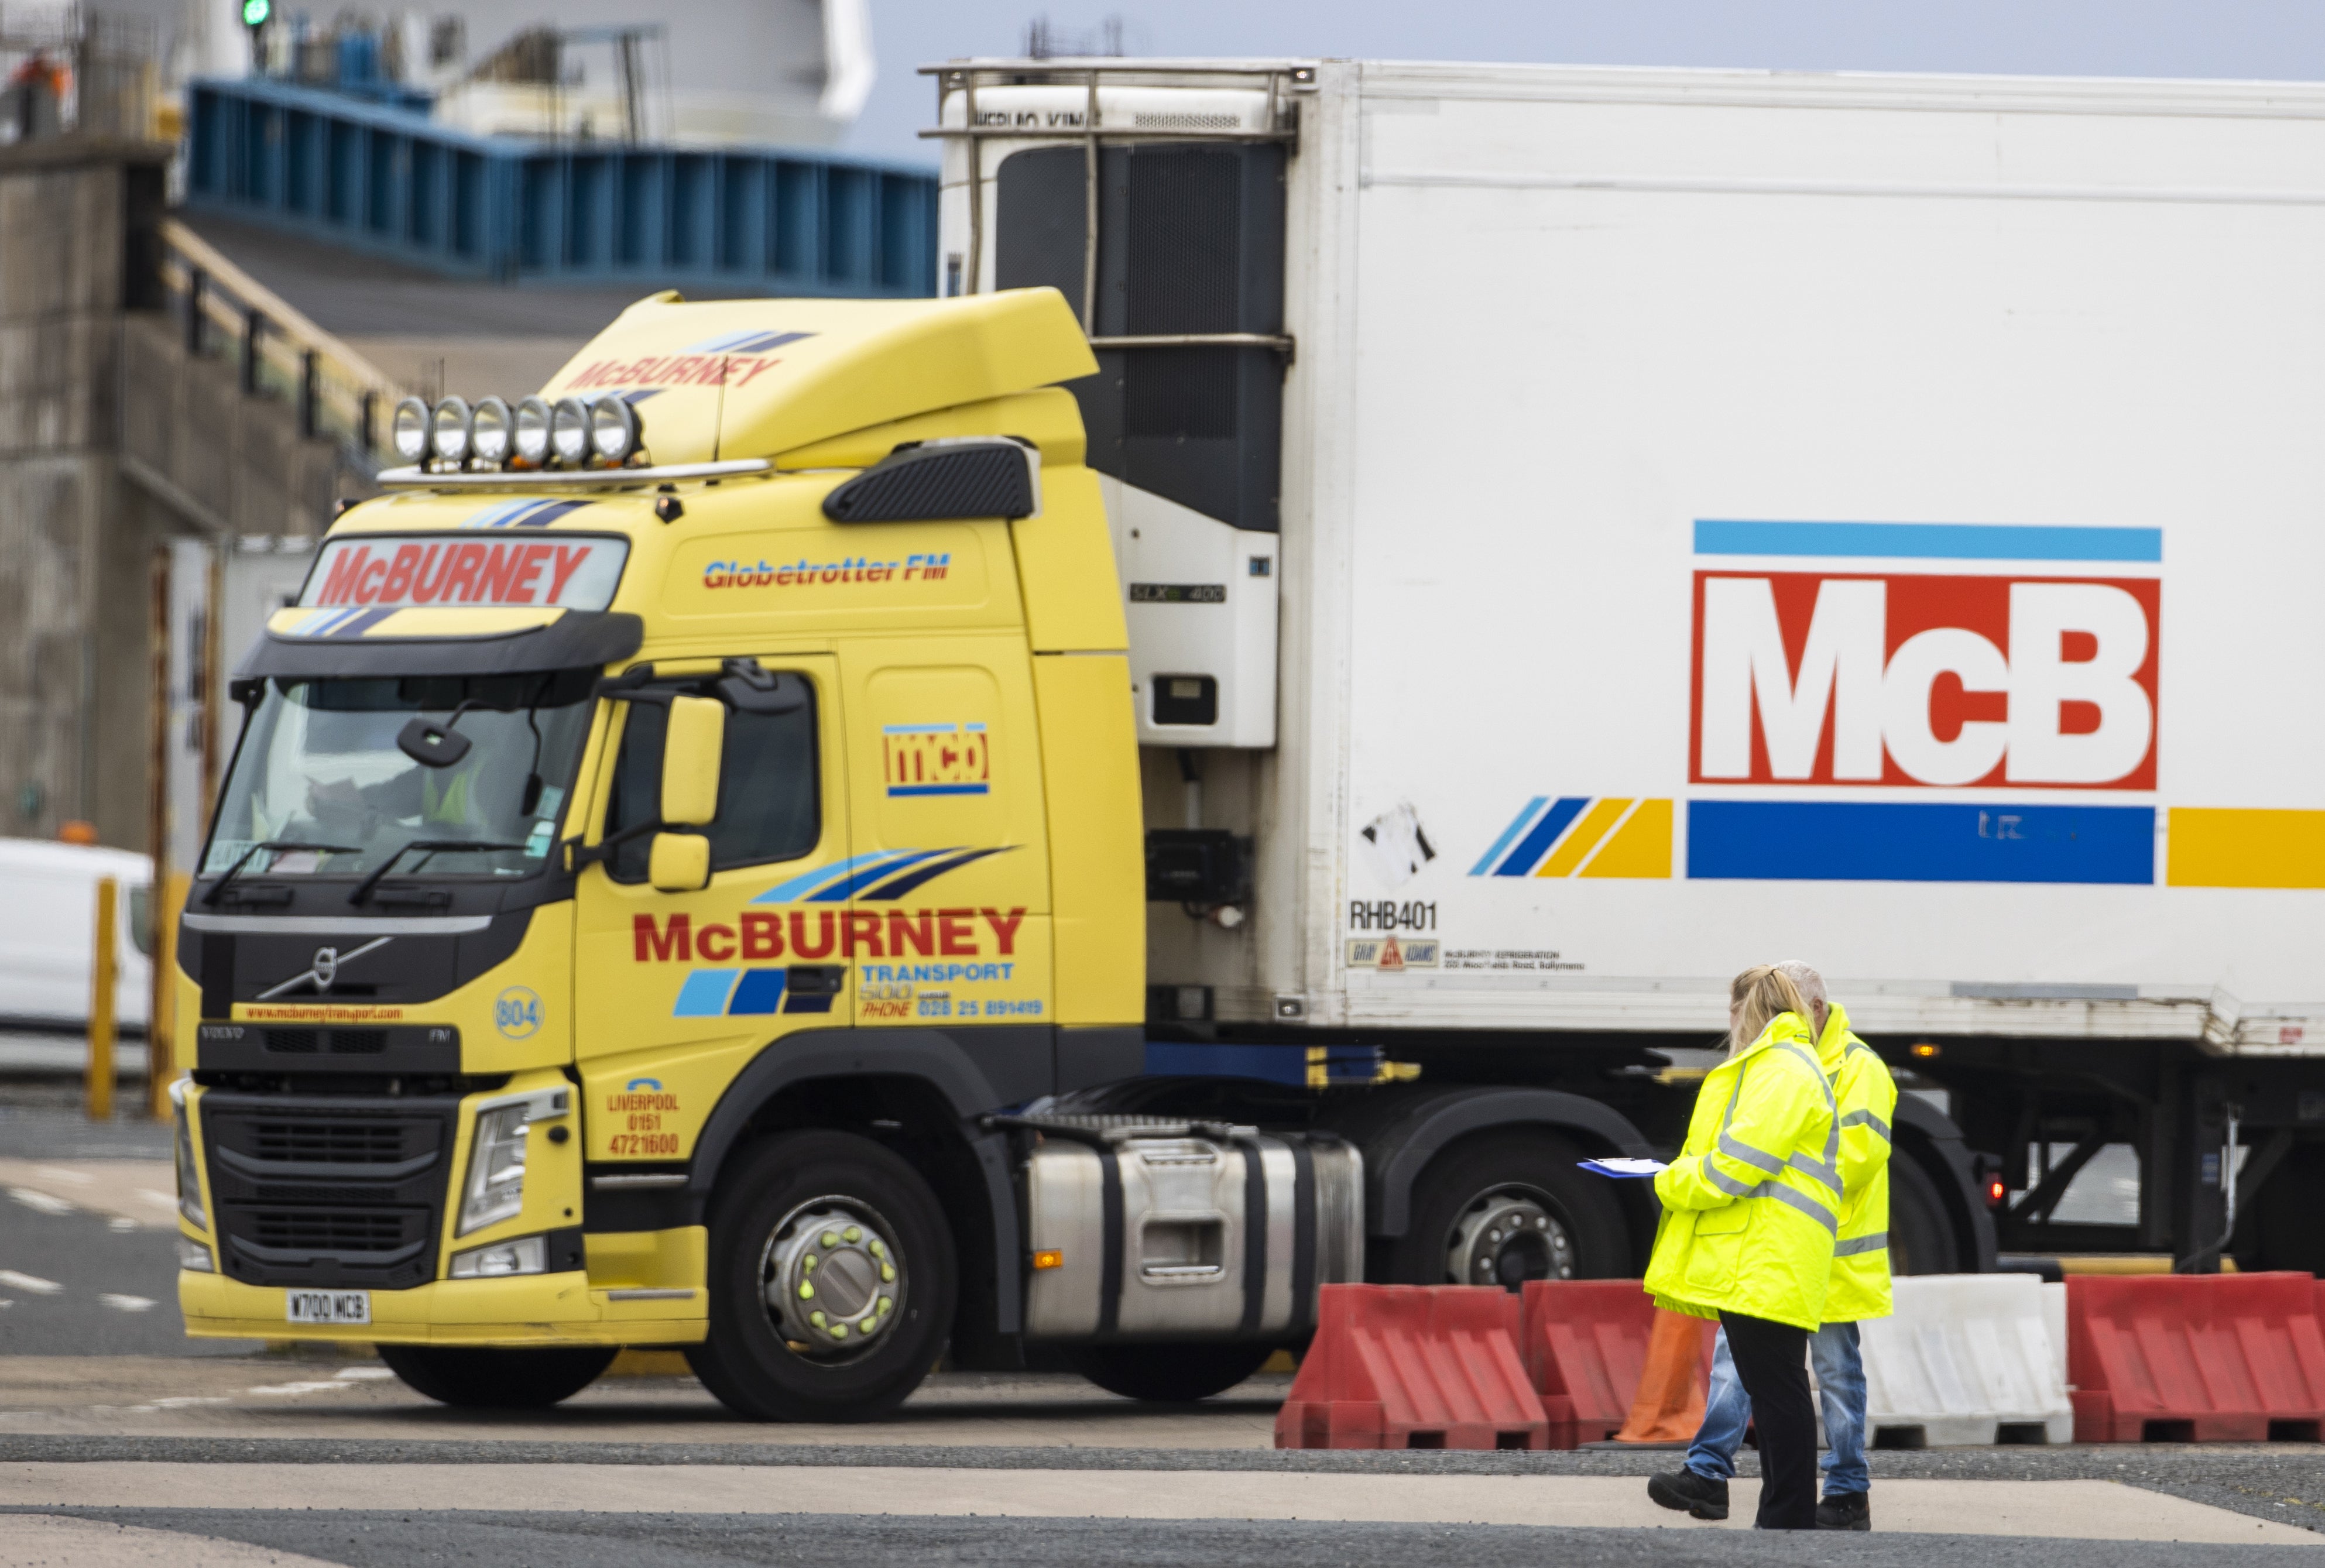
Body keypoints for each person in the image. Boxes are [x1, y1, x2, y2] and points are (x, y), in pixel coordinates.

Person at [1650, 960, 1899, 1531]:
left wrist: (1676, 1181)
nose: (1729, 1023)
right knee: (1753, 1371)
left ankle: (1837, 1494)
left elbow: (1837, 1161)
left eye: (1734, 1011)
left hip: (1816, 1251)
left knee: (1813, 1378)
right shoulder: (1787, 1063)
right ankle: (1713, 1474)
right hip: (1778, 1247)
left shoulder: (1822, 1067)